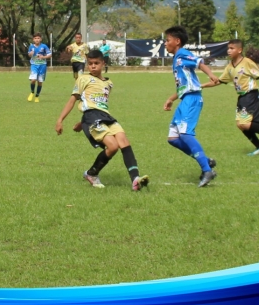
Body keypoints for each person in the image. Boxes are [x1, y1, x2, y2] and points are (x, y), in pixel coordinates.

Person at [55, 50, 149, 191]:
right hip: (92, 117)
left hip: (106, 116)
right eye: (90, 63)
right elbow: (73, 100)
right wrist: (60, 120)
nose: (93, 66)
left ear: (103, 63)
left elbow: (99, 104)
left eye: (96, 63)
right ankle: (91, 174)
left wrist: (82, 124)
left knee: (123, 140)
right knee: (112, 146)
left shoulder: (109, 83)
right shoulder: (83, 79)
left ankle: (135, 179)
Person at [202, 39, 259, 156]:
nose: (229, 50)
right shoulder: (229, 67)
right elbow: (219, 81)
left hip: (251, 95)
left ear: (239, 50)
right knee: (241, 126)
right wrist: (201, 86)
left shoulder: (247, 62)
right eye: (228, 48)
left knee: (243, 124)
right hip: (242, 98)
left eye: (232, 48)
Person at [162, 26, 220, 187]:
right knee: (173, 138)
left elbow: (199, 62)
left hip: (192, 99)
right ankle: (205, 161)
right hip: (185, 99)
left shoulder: (182, 53)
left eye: (167, 40)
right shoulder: (177, 59)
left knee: (186, 134)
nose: (165, 43)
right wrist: (171, 98)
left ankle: (207, 170)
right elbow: (184, 85)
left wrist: (211, 74)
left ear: (177, 41)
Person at [27, 33, 52, 103]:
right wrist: (30, 54)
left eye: (38, 38)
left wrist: (43, 57)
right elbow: (29, 54)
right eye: (35, 38)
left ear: (40, 39)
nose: (37, 39)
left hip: (42, 65)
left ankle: (37, 96)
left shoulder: (44, 46)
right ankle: (32, 92)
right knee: (33, 80)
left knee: (40, 82)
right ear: (33, 39)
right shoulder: (31, 46)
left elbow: (50, 55)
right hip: (34, 65)